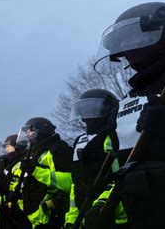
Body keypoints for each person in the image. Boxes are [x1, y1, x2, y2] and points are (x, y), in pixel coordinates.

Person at [94, 2, 165, 228]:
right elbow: (119, 170)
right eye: (120, 43)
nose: (124, 48)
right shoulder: (123, 106)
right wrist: (100, 205)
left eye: (131, 37)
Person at [64, 89, 128, 228]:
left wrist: (103, 206)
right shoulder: (79, 141)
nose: (87, 113)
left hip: (113, 216)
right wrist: (72, 218)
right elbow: (76, 184)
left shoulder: (115, 136)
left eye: (92, 108)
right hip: (84, 218)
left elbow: (121, 178)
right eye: (84, 109)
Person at [20, 117, 72, 229]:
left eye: (30, 132)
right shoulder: (37, 154)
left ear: (41, 130)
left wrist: (35, 171)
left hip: (56, 217)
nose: (27, 136)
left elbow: (69, 182)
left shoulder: (57, 150)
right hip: (39, 219)